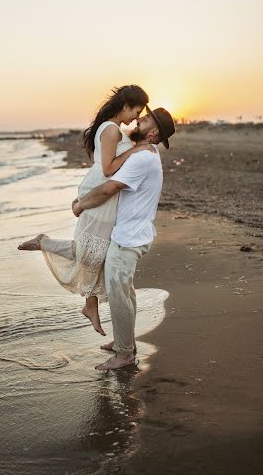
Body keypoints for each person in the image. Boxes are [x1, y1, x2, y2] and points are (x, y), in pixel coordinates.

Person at [18, 85, 152, 335]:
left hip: (103, 198)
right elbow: (107, 169)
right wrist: (135, 150)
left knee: (94, 253)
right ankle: (44, 244)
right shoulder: (111, 129)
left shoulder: (113, 129)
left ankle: (89, 305)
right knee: (92, 252)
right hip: (99, 196)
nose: (136, 117)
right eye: (136, 111)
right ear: (125, 106)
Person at [71, 106, 175, 370]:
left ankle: (125, 354)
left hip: (128, 238)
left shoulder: (142, 158)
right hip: (133, 234)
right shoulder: (146, 154)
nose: (139, 118)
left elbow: (110, 187)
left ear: (153, 133)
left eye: (146, 118)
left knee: (119, 295)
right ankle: (123, 341)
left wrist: (81, 205)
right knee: (125, 292)